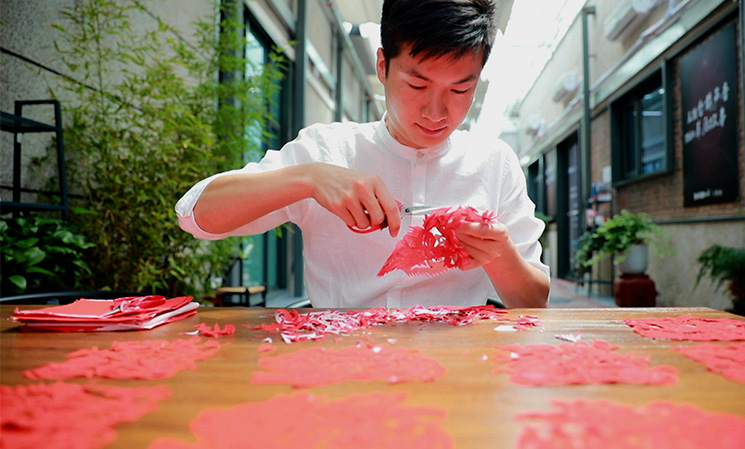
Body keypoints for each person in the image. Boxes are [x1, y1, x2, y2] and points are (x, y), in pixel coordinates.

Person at [176, 0, 550, 309]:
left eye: (459, 90)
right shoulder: (328, 150)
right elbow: (195, 215)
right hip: (342, 360)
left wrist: (500, 253)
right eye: (417, 84)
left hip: (457, 363)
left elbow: (534, 302)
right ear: (383, 66)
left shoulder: (494, 164)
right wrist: (308, 178)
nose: (436, 112)